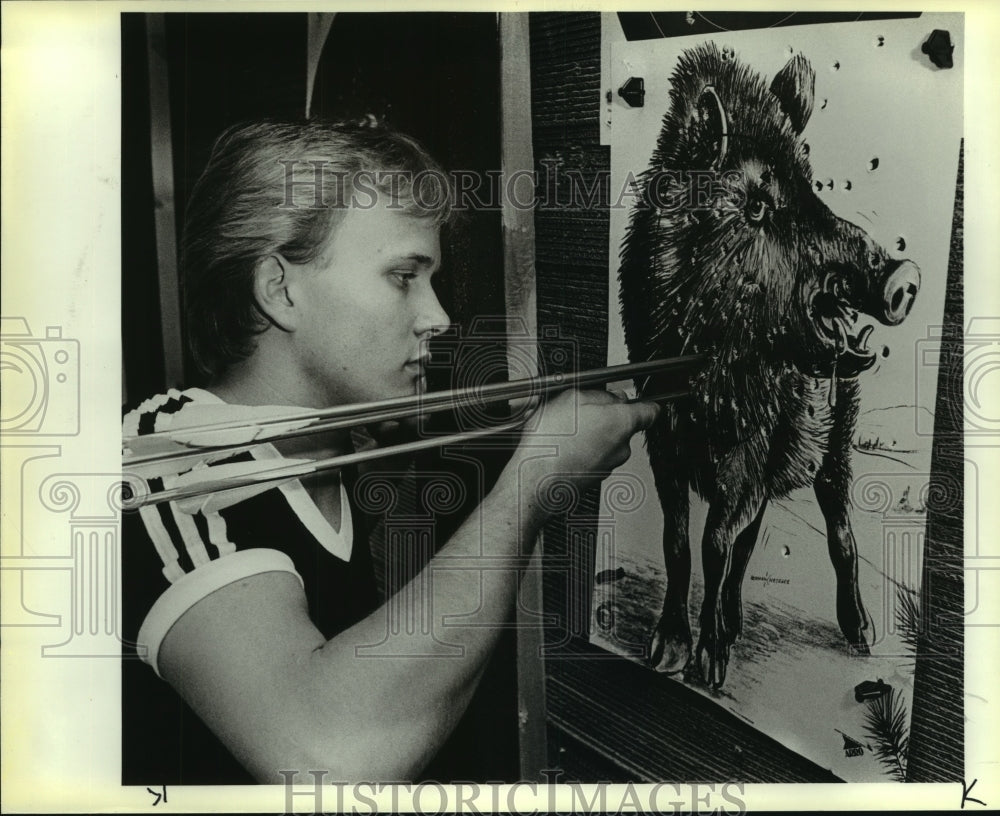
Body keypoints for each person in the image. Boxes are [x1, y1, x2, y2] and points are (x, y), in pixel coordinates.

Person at [121, 118, 659, 784]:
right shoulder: (166, 466)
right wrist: (534, 481)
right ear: (280, 290)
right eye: (403, 277)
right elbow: (327, 760)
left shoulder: (327, 442)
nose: (438, 318)